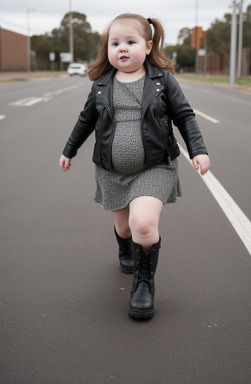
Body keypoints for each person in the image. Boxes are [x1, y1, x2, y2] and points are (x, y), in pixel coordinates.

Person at [59, 13, 210, 319]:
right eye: (115, 43)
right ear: (107, 49)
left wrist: (199, 150)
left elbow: (184, 116)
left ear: (148, 45)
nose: (122, 48)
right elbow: (86, 120)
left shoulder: (161, 80)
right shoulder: (102, 84)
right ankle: (123, 247)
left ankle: (144, 283)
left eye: (130, 42)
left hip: (154, 167)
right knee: (125, 227)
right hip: (111, 172)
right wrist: (69, 150)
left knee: (143, 225)